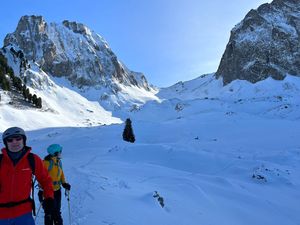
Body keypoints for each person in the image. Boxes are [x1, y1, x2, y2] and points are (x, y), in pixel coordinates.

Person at [0, 127, 54, 225]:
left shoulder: (32, 159)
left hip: (24, 214)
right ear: (6, 143)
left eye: (18, 138)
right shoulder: (0, 161)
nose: (14, 142)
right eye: (10, 140)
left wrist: (49, 197)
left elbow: (45, 179)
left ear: (24, 140)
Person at [38, 144, 71, 225]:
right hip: (46, 191)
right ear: (55, 153)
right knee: (48, 213)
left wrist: (64, 183)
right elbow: (40, 176)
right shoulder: (46, 163)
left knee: (57, 212)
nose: (61, 153)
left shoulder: (59, 162)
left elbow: (61, 173)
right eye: (60, 152)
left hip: (57, 190)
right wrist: (41, 190)